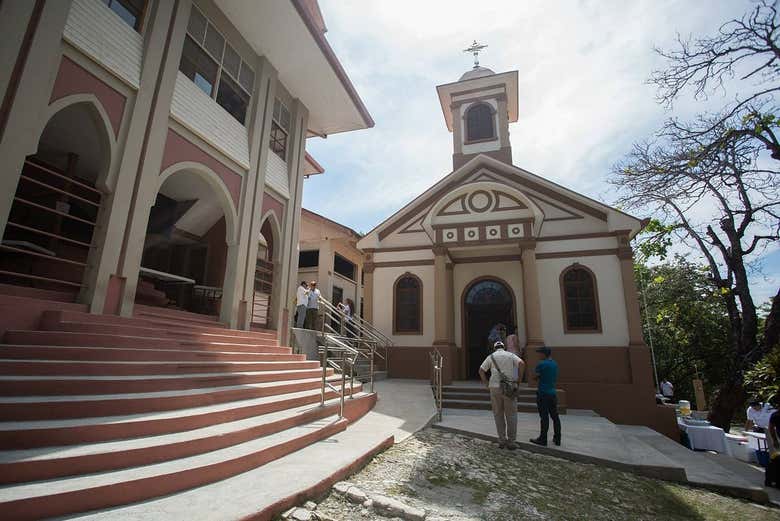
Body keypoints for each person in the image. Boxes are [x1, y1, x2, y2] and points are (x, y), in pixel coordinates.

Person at [479, 340, 524, 450]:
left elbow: (481, 370)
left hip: (494, 387)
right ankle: (512, 441)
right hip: (509, 387)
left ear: (495, 348)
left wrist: (486, 384)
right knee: (511, 415)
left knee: (498, 414)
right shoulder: (510, 355)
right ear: (504, 347)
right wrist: (518, 381)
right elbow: (521, 364)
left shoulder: (491, 356)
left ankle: (501, 440)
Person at [530, 346, 561, 447]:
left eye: (539, 353)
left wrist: (537, 375)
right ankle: (557, 438)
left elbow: (534, 377)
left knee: (544, 417)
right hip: (552, 392)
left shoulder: (541, 364)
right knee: (555, 416)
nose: (538, 355)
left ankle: (543, 439)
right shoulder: (554, 364)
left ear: (543, 354)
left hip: (543, 393)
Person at [766, 398, 779, 488]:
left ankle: (770, 480)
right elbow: (771, 428)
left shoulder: (775, 414)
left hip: (777, 440)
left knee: (774, 461)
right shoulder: (776, 415)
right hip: (778, 440)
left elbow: (771, 428)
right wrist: (774, 440)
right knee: (775, 461)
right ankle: (772, 481)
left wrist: (774, 439)